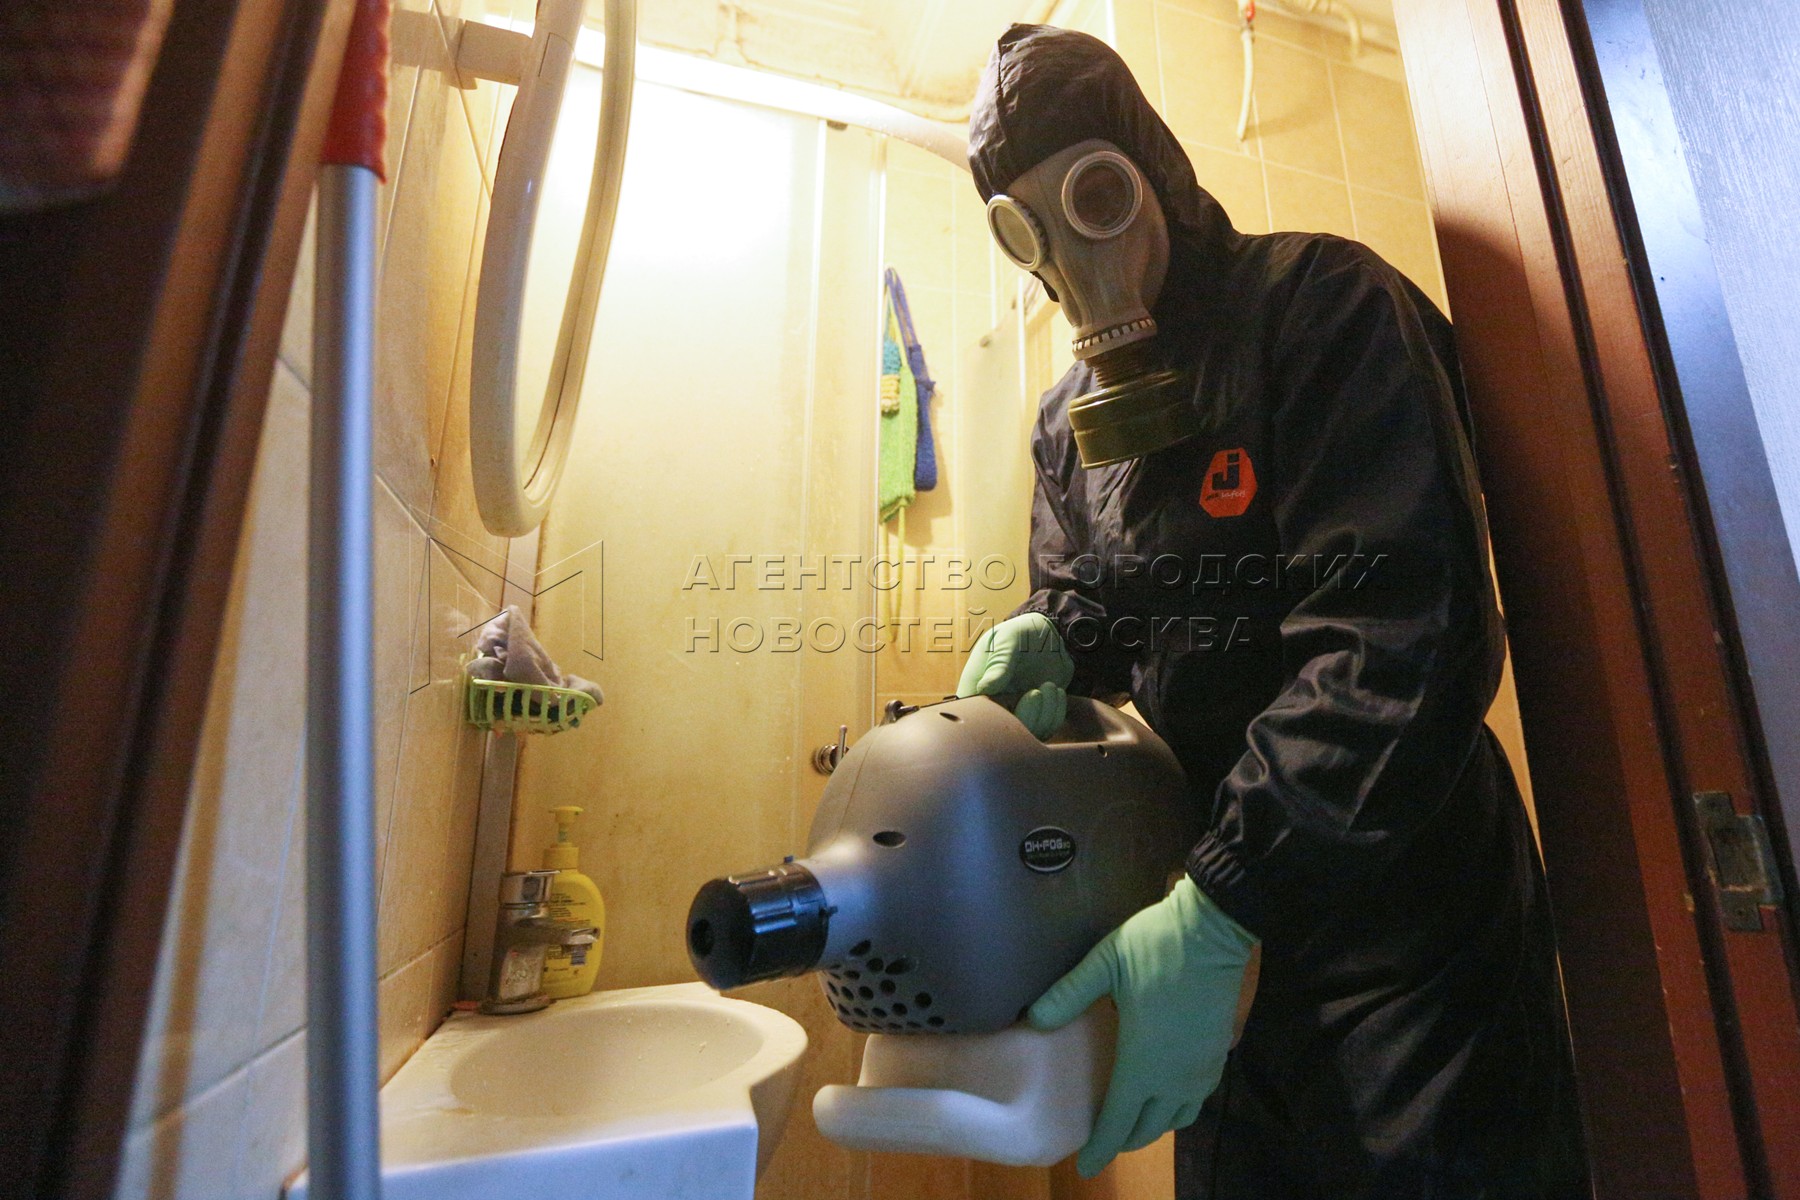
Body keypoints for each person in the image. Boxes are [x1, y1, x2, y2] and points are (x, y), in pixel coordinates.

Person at [954, 24, 1588, 1200]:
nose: (1079, 255)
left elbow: (1402, 636)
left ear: (1152, 167)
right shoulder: (1066, 425)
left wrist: (1227, 891)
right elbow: (1109, 604)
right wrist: (1060, 638)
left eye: (1096, 196)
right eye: (1031, 230)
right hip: (1218, 926)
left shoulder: (1322, 307)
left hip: (1406, 929)